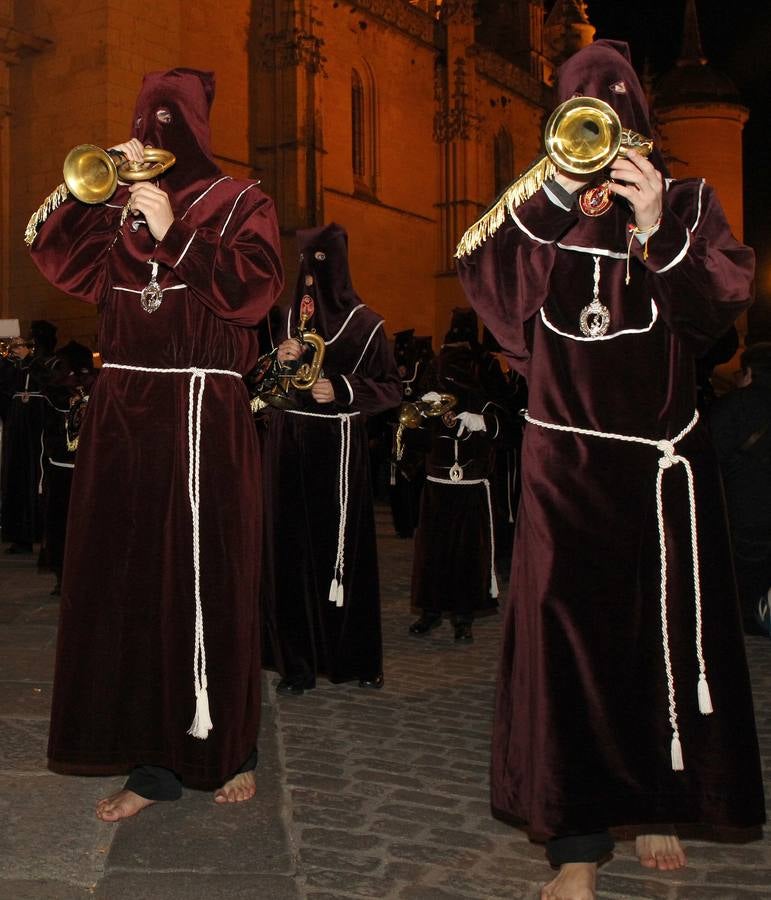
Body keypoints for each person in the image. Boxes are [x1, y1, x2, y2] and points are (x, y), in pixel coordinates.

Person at [455, 39, 765, 900]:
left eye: (619, 111)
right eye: (586, 113)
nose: (605, 130)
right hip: (565, 461)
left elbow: (715, 317)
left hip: (663, 462)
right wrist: (553, 196)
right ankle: (579, 847)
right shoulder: (534, 209)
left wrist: (658, 221)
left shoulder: (687, 201)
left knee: (661, 637)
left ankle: (658, 795)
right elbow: (488, 291)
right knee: (571, 650)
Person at [27, 68, 283, 820]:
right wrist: (91, 192)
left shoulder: (242, 201)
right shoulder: (120, 211)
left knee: (210, 581)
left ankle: (228, 747)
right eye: (143, 122)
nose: (150, 135)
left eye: (165, 121)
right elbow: (53, 254)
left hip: (204, 408)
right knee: (128, 584)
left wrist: (177, 233)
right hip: (123, 414)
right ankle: (149, 764)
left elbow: (254, 292)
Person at [261, 222, 401, 695]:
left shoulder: (366, 325)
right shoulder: (283, 320)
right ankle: (295, 663)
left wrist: (341, 389)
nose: (309, 280)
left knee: (339, 555)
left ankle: (353, 657)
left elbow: (391, 390)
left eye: (318, 266)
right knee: (288, 553)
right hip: (285, 445)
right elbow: (261, 383)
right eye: (303, 266)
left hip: (337, 450)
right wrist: (277, 360)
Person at [407, 308, 507, 643]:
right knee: (434, 549)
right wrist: (429, 408)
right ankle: (431, 610)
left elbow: (505, 413)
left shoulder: (488, 366)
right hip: (438, 473)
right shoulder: (435, 365)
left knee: (467, 550)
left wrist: (481, 422)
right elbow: (418, 413)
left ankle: (464, 615)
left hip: (471, 474)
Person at [710, 341, 771, 636]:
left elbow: (712, 455)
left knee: (745, 573)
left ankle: (750, 623)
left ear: (749, 372)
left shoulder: (734, 406)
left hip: (744, 505)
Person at [37, 340, 97, 595]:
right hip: (63, 466)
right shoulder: (56, 391)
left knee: (83, 526)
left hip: (86, 467)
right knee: (63, 525)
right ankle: (64, 577)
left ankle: (79, 576)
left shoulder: (95, 386)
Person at [0, 320, 58, 553]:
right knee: (15, 474)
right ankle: (19, 535)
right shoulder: (15, 365)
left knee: (38, 475)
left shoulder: (50, 362)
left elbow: (51, 383)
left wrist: (29, 360)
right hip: (17, 422)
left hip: (38, 423)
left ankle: (42, 534)